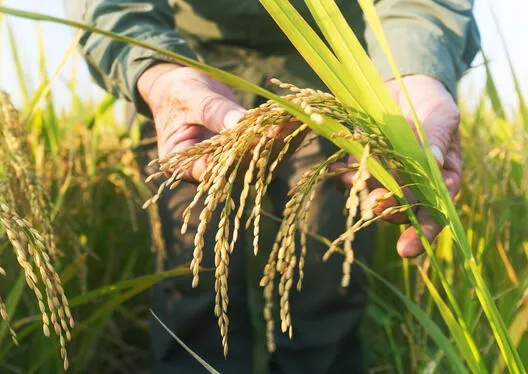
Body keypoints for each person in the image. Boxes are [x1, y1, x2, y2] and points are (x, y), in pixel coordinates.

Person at [67, 0, 480, 372]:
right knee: (192, 279)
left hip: (328, 69)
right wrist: (155, 70)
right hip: (183, 61)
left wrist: (415, 75)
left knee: (325, 276)